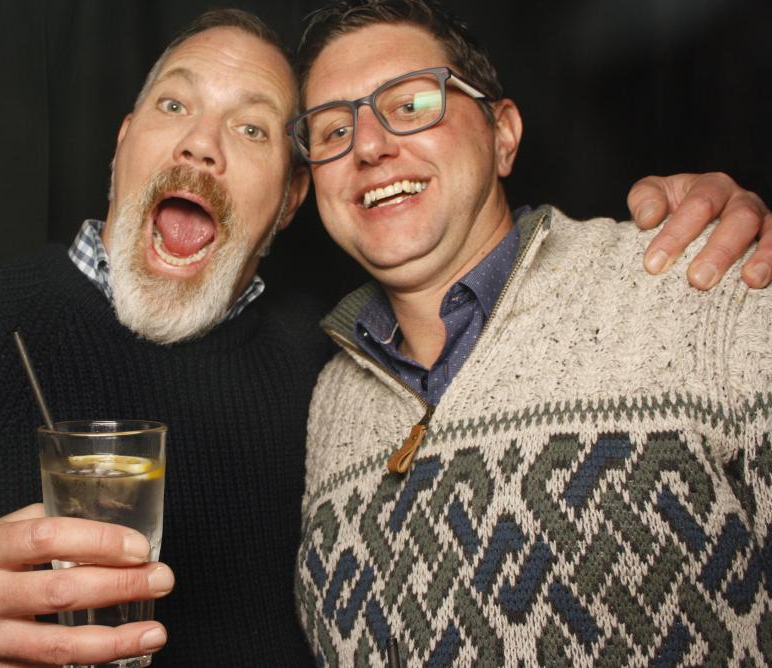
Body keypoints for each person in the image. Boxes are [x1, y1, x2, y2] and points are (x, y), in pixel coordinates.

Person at [0, 6, 768, 668]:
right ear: (124, 142)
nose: (201, 144)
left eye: (256, 129)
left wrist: (714, 248)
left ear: (292, 198)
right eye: (174, 105)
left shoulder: (325, 369)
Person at [289, 2, 772, 666]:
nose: (368, 146)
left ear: (504, 134)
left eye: (411, 104)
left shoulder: (695, 284)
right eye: (334, 130)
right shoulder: (325, 402)